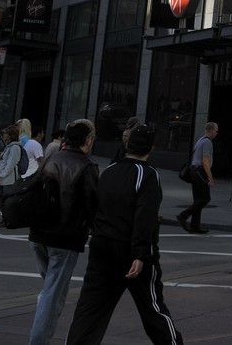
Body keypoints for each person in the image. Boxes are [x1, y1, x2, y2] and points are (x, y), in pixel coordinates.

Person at [63, 124, 182, 345]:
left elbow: (96, 206)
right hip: (130, 249)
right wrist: (140, 252)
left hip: (102, 245)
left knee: (90, 308)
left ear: (128, 145)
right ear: (151, 148)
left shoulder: (110, 170)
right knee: (152, 307)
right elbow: (144, 216)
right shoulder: (147, 174)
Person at [28, 119, 101, 345]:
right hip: (65, 236)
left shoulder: (51, 158)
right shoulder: (87, 166)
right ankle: (39, 341)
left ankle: (41, 338)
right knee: (53, 295)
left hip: (39, 233)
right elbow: (93, 207)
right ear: (88, 140)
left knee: (50, 291)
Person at [176, 122, 217, 234]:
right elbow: (205, 161)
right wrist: (210, 178)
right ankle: (183, 215)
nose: (216, 133)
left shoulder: (200, 140)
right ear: (211, 130)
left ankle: (195, 225)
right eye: (216, 131)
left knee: (198, 199)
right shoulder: (208, 142)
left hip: (194, 171)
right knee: (205, 198)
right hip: (200, 171)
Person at [0, 124, 26, 222]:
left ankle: (8, 218)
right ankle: (6, 217)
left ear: (11, 135)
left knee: (4, 199)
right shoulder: (9, 147)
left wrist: (1, 175)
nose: (3, 135)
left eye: (5, 133)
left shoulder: (14, 147)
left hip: (9, 179)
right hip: (5, 178)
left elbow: (11, 163)